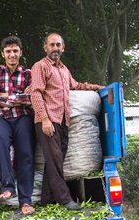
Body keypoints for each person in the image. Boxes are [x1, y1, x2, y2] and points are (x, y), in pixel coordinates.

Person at [31, 33, 104, 210]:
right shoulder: (40, 66)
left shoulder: (64, 70)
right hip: (48, 121)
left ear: (63, 48)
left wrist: (97, 87)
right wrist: (44, 119)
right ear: (45, 48)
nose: (55, 48)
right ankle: (64, 199)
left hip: (63, 122)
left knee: (55, 160)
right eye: (52, 45)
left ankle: (46, 200)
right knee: (55, 159)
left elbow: (76, 85)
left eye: (58, 45)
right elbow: (36, 93)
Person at [0, 36, 35, 215]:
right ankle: (7, 187)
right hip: (1, 117)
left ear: (20, 53)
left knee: (26, 153)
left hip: (23, 117)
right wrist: (18, 96)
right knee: (0, 141)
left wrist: (7, 97)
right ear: (3, 54)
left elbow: (30, 99)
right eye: (8, 51)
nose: (12, 54)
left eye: (15, 51)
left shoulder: (28, 74)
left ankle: (25, 201)